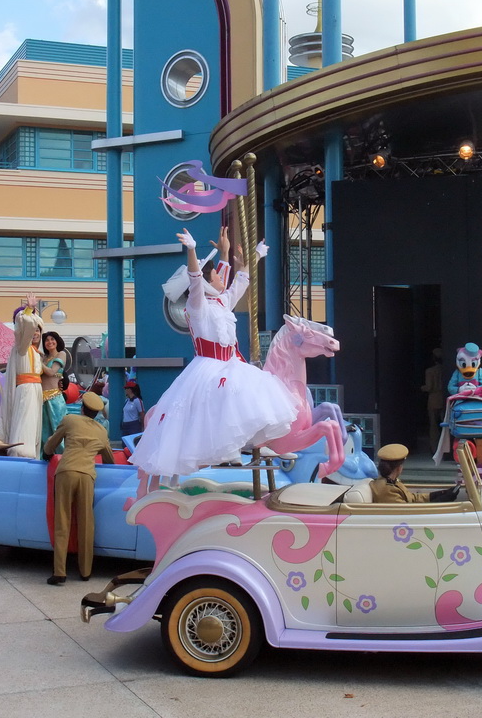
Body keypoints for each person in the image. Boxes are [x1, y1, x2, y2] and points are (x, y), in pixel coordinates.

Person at [131, 227, 296, 488]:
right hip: (209, 368)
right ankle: (227, 450)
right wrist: (193, 250)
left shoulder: (221, 302)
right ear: (209, 283)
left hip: (228, 364)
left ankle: (253, 444)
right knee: (230, 392)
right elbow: (196, 278)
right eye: (218, 276)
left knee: (254, 388)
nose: (223, 278)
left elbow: (240, 281)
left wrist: (242, 255)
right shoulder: (196, 308)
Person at [42, 391, 115, 585]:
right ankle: (85, 571)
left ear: (82, 408)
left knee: (62, 521)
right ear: (96, 413)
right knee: (86, 523)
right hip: (87, 476)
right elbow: (109, 459)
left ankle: (59, 572)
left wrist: (47, 453)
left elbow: (52, 443)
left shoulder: (69, 420)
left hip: (66, 473)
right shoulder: (101, 431)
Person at [0, 295, 44, 458]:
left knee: (33, 424)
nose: (36, 332)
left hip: (35, 390)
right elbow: (24, 327)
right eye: (33, 329)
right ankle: (21, 452)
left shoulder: (35, 351)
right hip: (26, 390)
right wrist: (29, 310)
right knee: (25, 422)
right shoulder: (22, 347)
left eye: (38, 329)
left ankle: (30, 452)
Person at [369, 444, 460, 503]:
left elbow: (412, 498)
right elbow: (407, 511)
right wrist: (441, 500)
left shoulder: (390, 482)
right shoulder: (387, 489)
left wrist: (440, 493)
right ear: (398, 468)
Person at [40, 331, 69, 453]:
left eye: (52, 339)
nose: (49, 342)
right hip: (42, 399)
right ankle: (46, 455)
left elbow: (52, 372)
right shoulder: (44, 358)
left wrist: (37, 362)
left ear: (57, 341)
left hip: (55, 398)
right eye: (46, 340)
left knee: (58, 429)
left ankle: (63, 456)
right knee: (44, 432)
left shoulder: (61, 354)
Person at [421, 348, 446, 451]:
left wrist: (421, 388)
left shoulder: (430, 371)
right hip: (443, 398)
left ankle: (434, 448)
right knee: (445, 425)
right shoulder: (445, 369)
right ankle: (445, 448)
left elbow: (429, 387)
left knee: (433, 426)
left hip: (433, 399)